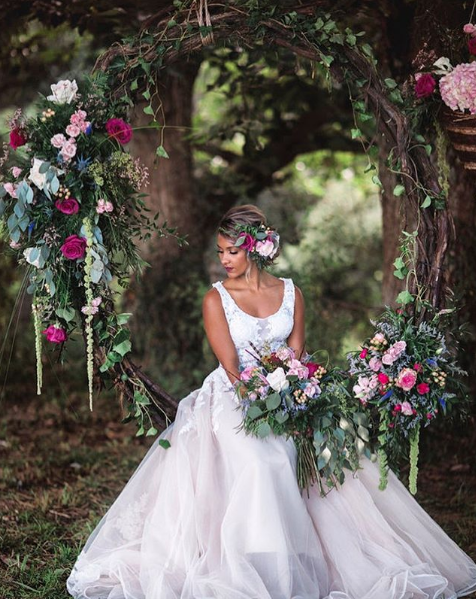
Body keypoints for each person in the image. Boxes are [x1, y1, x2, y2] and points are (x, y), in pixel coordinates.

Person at [67, 204, 476, 599]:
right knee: (263, 460)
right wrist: (267, 393)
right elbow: (230, 367)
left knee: (327, 460)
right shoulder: (216, 299)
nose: (225, 259)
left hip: (292, 392)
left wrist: (295, 392)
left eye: (233, 250)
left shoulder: (291, 293)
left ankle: (305, 560)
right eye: (220, 252)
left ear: (257, 247)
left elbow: (297, 350)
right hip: (234, 396)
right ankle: (258, 570)